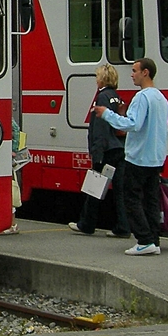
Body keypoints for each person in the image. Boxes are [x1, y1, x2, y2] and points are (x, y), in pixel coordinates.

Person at [94, 57, 168, 256]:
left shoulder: (141, 97)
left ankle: (144, 240)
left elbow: (132, 124)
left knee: (131, 199)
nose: (131, 74)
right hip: (156, 157)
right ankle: (154, 240)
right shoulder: (161, 98)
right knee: (151, 201)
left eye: (135, 70)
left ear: (146, 72)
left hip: (138, 157)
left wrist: (107, 114)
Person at [69, 64, 131, 238]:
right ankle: (123, 226)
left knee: (94, 188)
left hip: (107, 149)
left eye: (97, 76)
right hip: (120, 148)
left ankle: (87, 224)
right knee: (119, 190)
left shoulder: (102, 97)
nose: (96, 80)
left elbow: (100, 128)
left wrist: (97, 152)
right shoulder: (116, 97)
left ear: (102, 79)